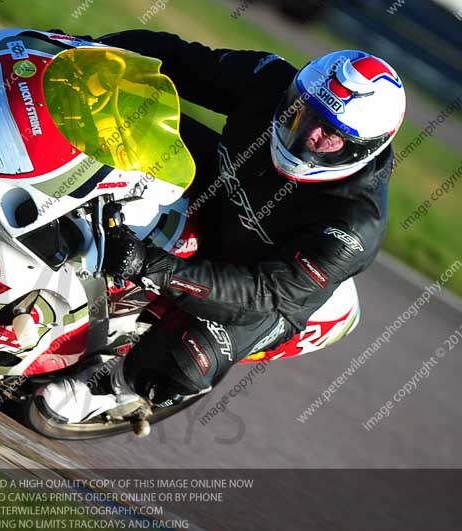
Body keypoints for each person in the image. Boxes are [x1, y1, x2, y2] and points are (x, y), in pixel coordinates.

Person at [38, 30, 406, 423]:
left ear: (361, 149)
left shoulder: (353, 226)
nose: (307, 132)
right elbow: (180, 61)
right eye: (305, 110)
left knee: (185, 361)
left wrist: (151, 265)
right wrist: (83, 47)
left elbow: (260, 293)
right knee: (125, 117)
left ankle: (114, 388)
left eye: (329, 134)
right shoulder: (270, 80)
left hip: (263, 285)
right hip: (225, 185)